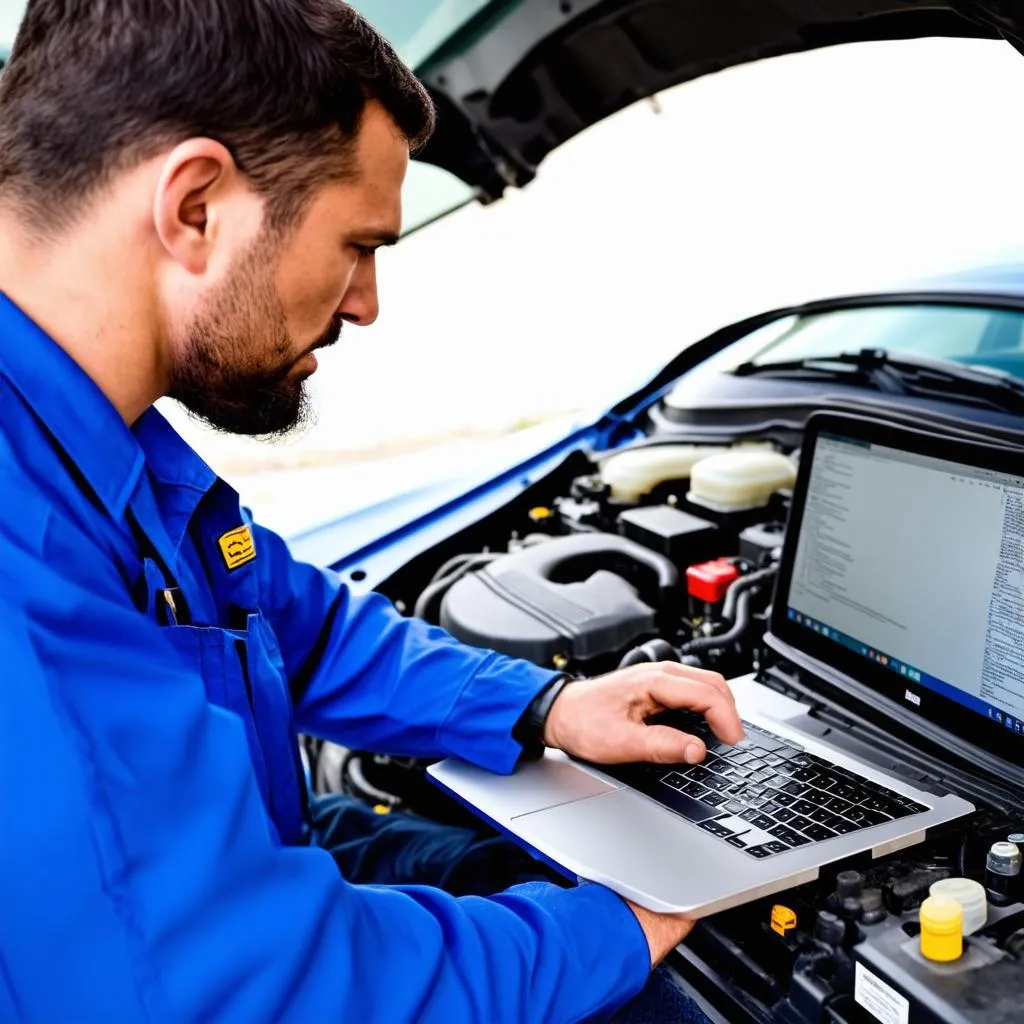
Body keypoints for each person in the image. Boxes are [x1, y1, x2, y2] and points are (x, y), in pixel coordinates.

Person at [0, 2, 744, 1021]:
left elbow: (279, 617)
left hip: (272, 856)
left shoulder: (97, 442)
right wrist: (611, 933)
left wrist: (540, 707)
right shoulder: (22, 563)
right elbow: (250, 987)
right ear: (196, 206)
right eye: (357, 244)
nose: (366, 302)